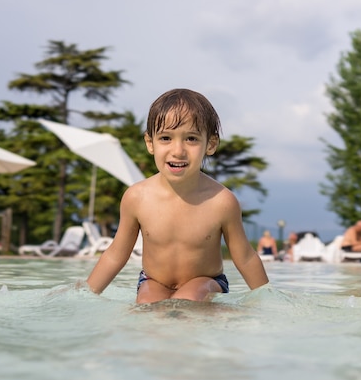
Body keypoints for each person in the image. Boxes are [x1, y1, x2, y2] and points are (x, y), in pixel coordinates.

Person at [85, 88, 269, 304]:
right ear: (150, 143)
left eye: (191, 138)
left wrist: (267, 299)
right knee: (147, 304)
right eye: (165, 138)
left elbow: (245, 257)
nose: (178, 150)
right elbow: (116, 254)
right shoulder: (137, 197)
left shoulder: (221, 201)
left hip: (207, 281)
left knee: (188, 298)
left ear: (210, 144)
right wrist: (85, 293)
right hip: (153, 280)